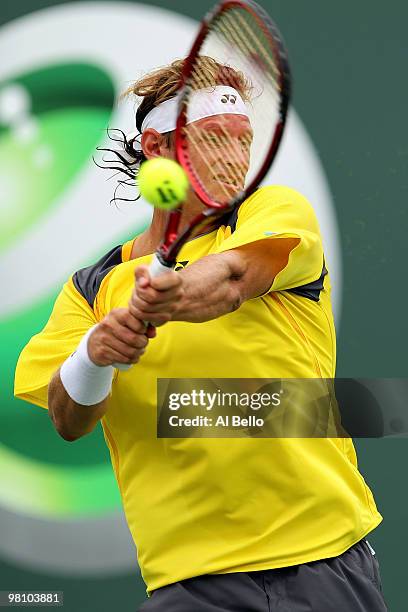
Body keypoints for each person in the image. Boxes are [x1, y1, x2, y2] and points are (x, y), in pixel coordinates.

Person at [15, 58, 387, 611]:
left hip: (322, 557)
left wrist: (169, 297)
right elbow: (67, 419)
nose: (237, 160)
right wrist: (95, 355)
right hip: (188, 581)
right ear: (156, 146)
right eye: (214, 139)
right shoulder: (90, 291)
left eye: (244, 140)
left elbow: (232, 279)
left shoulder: (271, 213)